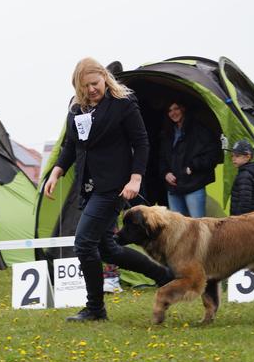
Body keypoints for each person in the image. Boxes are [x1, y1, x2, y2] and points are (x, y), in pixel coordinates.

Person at [44, 57, 172, 322]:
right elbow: (71, 145)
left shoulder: (123, 104)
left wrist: (135, 179)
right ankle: (165, 277)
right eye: (85, 86)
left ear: (104, 77)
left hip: (113, 186)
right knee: (108, 250)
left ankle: (95, 308)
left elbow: (141, 142)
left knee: (83, 243)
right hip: (88, 186)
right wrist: (57, 171)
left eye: (95, 83)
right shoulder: (76, 109)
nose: (91, 89)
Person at [159, 101, 221, 217]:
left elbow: (212, 155)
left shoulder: (199, 130)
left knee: (197, 227)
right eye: (170, 110)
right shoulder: (167, 133)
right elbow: (162, 158)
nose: (173, 113)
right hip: (174, 188)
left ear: (183, 109)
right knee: (177, 229)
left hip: (193, 186)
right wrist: (165, 173)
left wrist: (192, 166)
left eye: (176, 108)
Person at [229, 139, 254, 215]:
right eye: (232, 156)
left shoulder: (244, 176)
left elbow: (244, 202)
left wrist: (237, 219)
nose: (233, 159)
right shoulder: (247, 173)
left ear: (247, 157)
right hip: (249, 218)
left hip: (242, 220)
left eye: (237, 156)